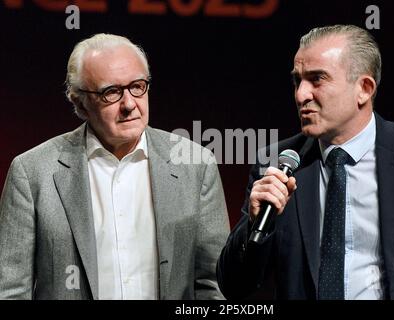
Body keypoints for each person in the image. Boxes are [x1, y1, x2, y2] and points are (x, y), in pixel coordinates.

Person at [217, 24, 394, 300]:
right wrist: (256, 224)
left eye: (317, 79)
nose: (301, 95)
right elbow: (234, 287)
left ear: (364, 88)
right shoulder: (276, 164)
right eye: (297, 81)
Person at [0, 34, 230, 300]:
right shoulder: (32, 173)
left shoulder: (196, 165)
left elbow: (213, 285)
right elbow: (11, 290)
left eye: (137, 86)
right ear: (80, 103)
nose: (129, 104)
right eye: (111, 92)